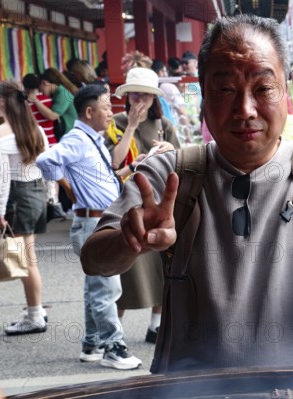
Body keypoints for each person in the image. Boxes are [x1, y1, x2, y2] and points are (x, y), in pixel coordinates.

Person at [81, 14, 293, 372]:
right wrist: (127, 242)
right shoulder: (168, 175)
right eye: (225, 90)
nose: (245, 110)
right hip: (188, 391)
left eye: (263, 88)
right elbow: (93, 259)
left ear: (285, 93)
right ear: (204, 95)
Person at [36, 85, 142, 370]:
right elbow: (45, 160)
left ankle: (92, 343)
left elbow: (105, 177)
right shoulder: (78, 139)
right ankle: (113, 347)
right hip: (92, 221)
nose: (111, 113)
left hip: (97, 219)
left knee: (96, 285)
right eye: (106, 107)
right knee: (106, 286)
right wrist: (67, 187)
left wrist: (134, 167)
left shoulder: (89, 139)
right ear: (89, 111)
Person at [110, 67, 181, 343]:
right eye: (134, 95)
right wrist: (130, 126)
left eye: (146, 96)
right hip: (127, 202)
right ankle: (112, 330)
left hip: (160, 201)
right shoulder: (115, 122)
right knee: (125, 267)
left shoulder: (165, 127)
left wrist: (168, 151)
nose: (139, 101)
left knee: (161, 264)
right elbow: (113, 164)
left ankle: (156, 324)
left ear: (155, 99)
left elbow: (181, 163)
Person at [0, 80, 49, 335]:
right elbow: (48, 165)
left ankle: (35, 315)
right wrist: (51, 195)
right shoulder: (36, 128)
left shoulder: (0, 133)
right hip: (37, 191)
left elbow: (2, 177)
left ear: (2, 102)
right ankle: (35, 308)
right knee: (29, 258)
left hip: (18, 194)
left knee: (25, 262)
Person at [37, 68, 78, 141]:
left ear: (45, 82)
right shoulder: (57, 93)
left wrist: (35, 101)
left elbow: (52, 116)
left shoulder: (63, 93)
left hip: (72, 136)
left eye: (40, 88)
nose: (40, 92)